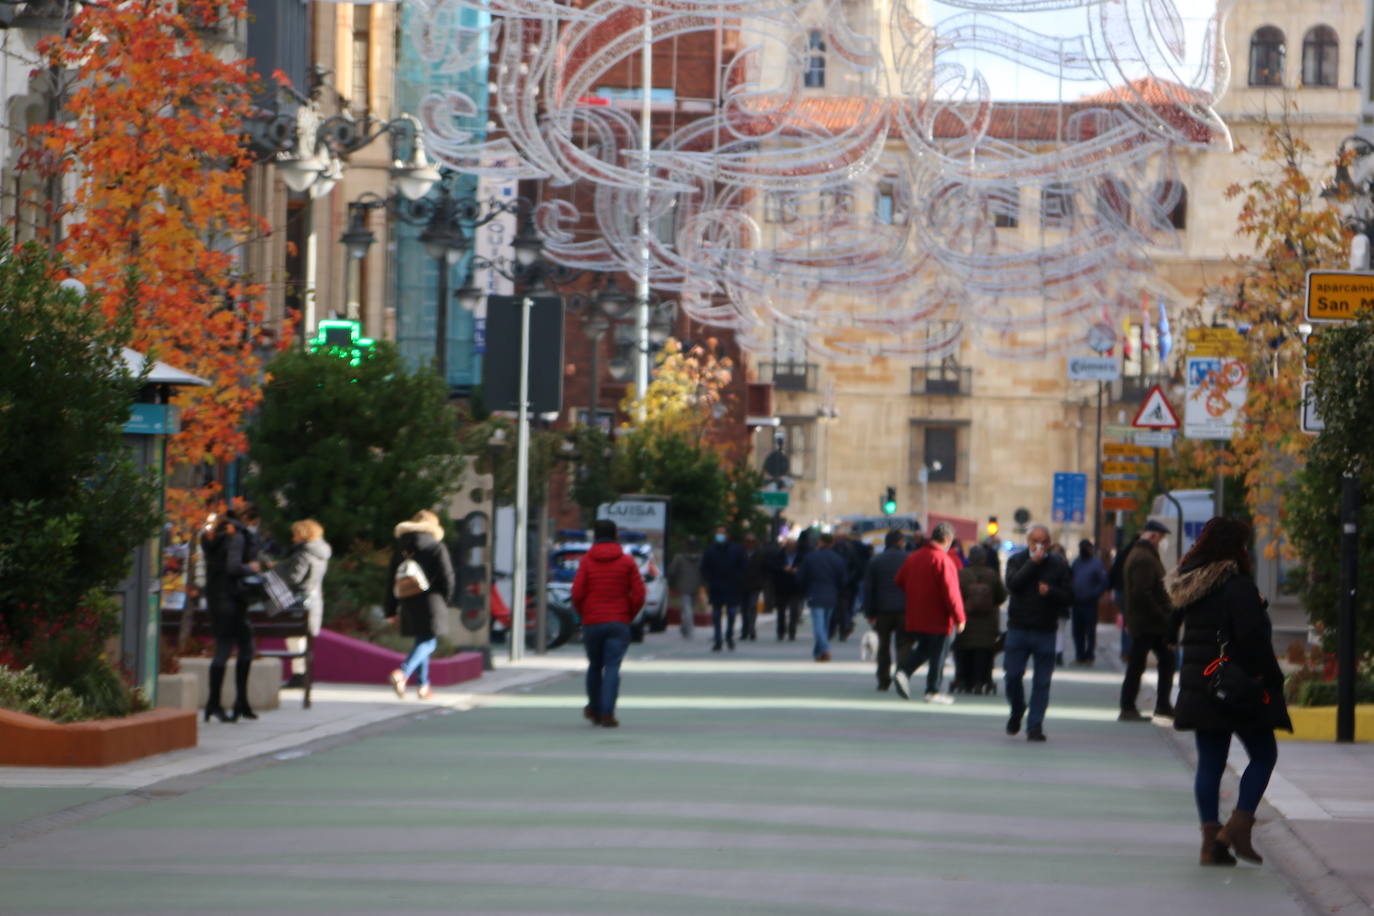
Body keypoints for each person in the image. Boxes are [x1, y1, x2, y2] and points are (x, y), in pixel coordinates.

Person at [1166, 517, 1291, 866]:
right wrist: (1271, 678)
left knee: (1210, 763)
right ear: (1237, 547)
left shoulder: (1190, 584)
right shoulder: (1237, 586)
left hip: (1201, 685)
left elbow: (1169, 627)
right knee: (1264, 754)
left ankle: (1210, 844)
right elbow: (1253, 639)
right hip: (1238, 686)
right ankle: (1237, 826)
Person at [571, 519, 645, 727]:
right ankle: (607, 713)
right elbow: (639, 594)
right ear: (615, 536)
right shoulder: (627, 562)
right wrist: (628, 614)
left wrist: (584, 613)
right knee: (612, 666)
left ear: (595, 536)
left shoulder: (587, 561)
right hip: (618, 621)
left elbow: (577, 593)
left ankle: (594, 708)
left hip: (592, 622)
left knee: (595, 665)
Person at [1003, 524, 1072, 741]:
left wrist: (1051, 591)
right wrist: (1032, 563)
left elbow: (1070, 596)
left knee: (1042, 682)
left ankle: (1035, 726)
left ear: (1049, 543)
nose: (1039, 545)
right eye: (1034, 541)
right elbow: (1012, 585)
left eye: (1043, 541)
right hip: (1018, 628)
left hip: (1045, 631)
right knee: (1012, 675)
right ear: (1028, 541)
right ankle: (1017, 709)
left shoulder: (1058, 564)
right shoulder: (1016, 560)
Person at [384, 510, 455, 701]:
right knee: (429, 642)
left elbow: (391, 580)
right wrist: (446, 599)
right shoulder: (436, 546)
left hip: (408, 600)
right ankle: (403, 673)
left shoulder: (401, 548)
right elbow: (447, 577)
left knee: (421, 641)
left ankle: (424, 686)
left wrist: (390, 609)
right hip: (432, 600)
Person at [891, 522, 966, 703]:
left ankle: (904, 672)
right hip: (938, 617)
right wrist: (960, 617)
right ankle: (932, 690)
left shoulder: (914, 557)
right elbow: (951, 592)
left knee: (925, 647)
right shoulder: (943, 560)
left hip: (916, 614)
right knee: (940, 651)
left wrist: (915, 592)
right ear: (947, 539)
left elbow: (899, 580)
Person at [201, 509, 261, 723]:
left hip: (215, 599)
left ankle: (214, 703)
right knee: (246, 647)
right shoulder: (236, 537)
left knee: (223, 648)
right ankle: (239, 702)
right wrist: (252, 567)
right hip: (233, 600)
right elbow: (233, 567)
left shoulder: (212, 539)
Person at [1119, 519, 1177, 721]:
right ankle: (1130, 706)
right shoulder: (1144, 558)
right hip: (1149, 623)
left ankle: (1158, 705)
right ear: (1152, 536)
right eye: (1159, 538)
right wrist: (1163, 615)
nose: (1161, 542)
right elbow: (1142, 592)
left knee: (1160, 661)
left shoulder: (1143, 554)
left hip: (1147, 622)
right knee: (1142, 663)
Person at [272, 519, 332, 688]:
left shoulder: (304, 553)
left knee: (295, 639)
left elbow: (294, 577)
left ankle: (299, 675)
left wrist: (278, 568)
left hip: (300, 602)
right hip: (313, 599)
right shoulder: (320, 552)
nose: (293, 538)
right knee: (303, 639)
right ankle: (303, 674)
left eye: (295, 534)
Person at [952, 544, 1006, 694]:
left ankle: (962, 680)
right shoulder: (992, 575)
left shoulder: (961, 574)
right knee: (984, 654)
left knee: (963, 653)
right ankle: (981, 681)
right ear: (984, 558)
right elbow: (1001, 596)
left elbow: (954, 596)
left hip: (965, 623)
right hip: (987, 624)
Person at [862, 530, 911, 691]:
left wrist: (869, 613)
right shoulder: (909, 559)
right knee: (903, 645)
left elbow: (869, 589)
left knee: (883, 646)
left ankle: (883, 679)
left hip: (882, 610)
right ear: (900, 542)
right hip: (904, 609)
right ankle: (901, 675)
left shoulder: (876, 561)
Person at [796, 532, 848, 661]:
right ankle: (818, 653)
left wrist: (805, 589)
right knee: (824, 625)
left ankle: (824, 649)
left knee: (818, 626)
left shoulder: (810, 558)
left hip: (815, 593)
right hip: (831, 595)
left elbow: (800, 577)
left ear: (820, 542)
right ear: (832, 543)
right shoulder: (838, 559)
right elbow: (843, 580)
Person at [700, 525, 748, 651]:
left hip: (732, 586)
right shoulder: (711, 550)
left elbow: (744, 566)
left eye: (722, 533)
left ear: (728, 535)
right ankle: (718, 639)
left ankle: (729, 636)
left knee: (732, 613)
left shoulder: (737, 549)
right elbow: (705, 567)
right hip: (716, 586)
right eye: (718, 533)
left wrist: (738, 579)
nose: (720, 536)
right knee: (716, 614)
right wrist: (709, 580)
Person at [1069, 539, 1107, 665]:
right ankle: (1080, 656)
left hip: (1090, 603)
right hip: (1077, 602)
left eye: (1087, 547)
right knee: (1077, 631)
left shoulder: (1096, 564)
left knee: (1090, 631)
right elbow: (1070, 578)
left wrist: (1094, 595)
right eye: (1082, 547)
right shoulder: (1076, 562)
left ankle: (1089, 656)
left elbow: (1103, 583)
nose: (1084, 550)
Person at [667, 537, 703, 639]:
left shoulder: (679, 557)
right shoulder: (700, 558)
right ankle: (686, 626)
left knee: (687, 608)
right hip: (695, 585)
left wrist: (672, 583)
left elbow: (672, 571)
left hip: (683, 585)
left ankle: (687, 627)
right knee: (689, 607)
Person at [771, 537, 806, 641]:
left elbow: (804, 568)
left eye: (793, 545)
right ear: (786, 546)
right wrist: (783, 568)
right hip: (781, 586)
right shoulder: (779, 555)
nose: (791, 547)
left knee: (794, 611)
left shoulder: (801, 556)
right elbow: (774, 567)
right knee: (781, 611)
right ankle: (781, 631)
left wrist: (797, 569)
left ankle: (792, 631)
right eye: (789, 545)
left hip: (795, 587)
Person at [741, 534, 771, 641]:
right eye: (748, 541)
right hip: (742, 585)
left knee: (752, 606)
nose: (749, 543)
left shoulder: (760, 554)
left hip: (755, 585)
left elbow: (765, 569)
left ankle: (751, 629)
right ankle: (745, 630)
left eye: (751, 541)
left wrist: (763, 583)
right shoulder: (741, 553)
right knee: (744, 608)